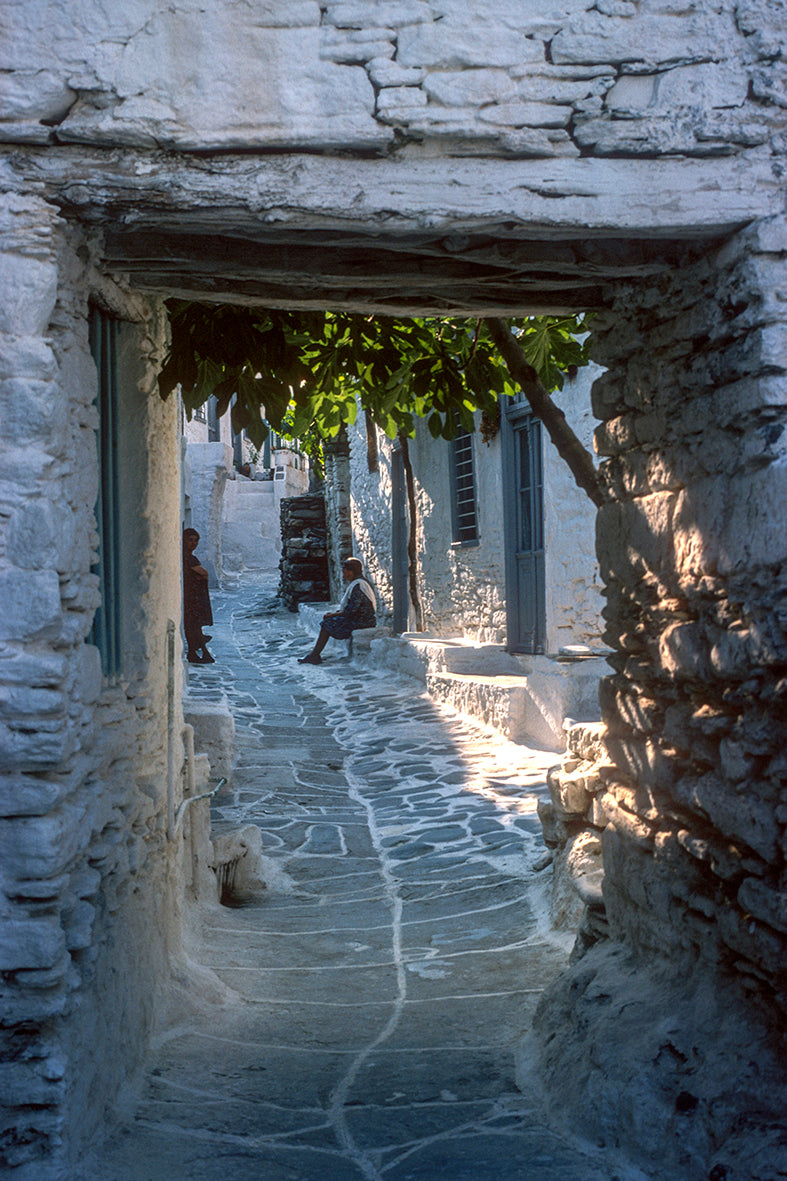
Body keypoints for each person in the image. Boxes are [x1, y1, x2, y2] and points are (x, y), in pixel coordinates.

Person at [298, 557, 376, 665]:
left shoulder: (359, 586)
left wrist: (334, 614)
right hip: (360, 618)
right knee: (328, 621)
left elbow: (352, 610)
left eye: (344, 571)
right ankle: (314, 655)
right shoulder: (360, 583)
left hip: (363, 621)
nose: (343, 574)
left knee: (327, 623)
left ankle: (314, 655)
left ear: (350, 571)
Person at [182, 527, 215, 664]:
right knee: (194, 626)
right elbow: (203, 573)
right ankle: (202, 652)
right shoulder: (189, 558)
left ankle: (193, 652)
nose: (193, 543)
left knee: (193, 626)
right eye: (190, 540)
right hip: (192, 598)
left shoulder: (187, 557)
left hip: (191, 596)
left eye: (196, 540)